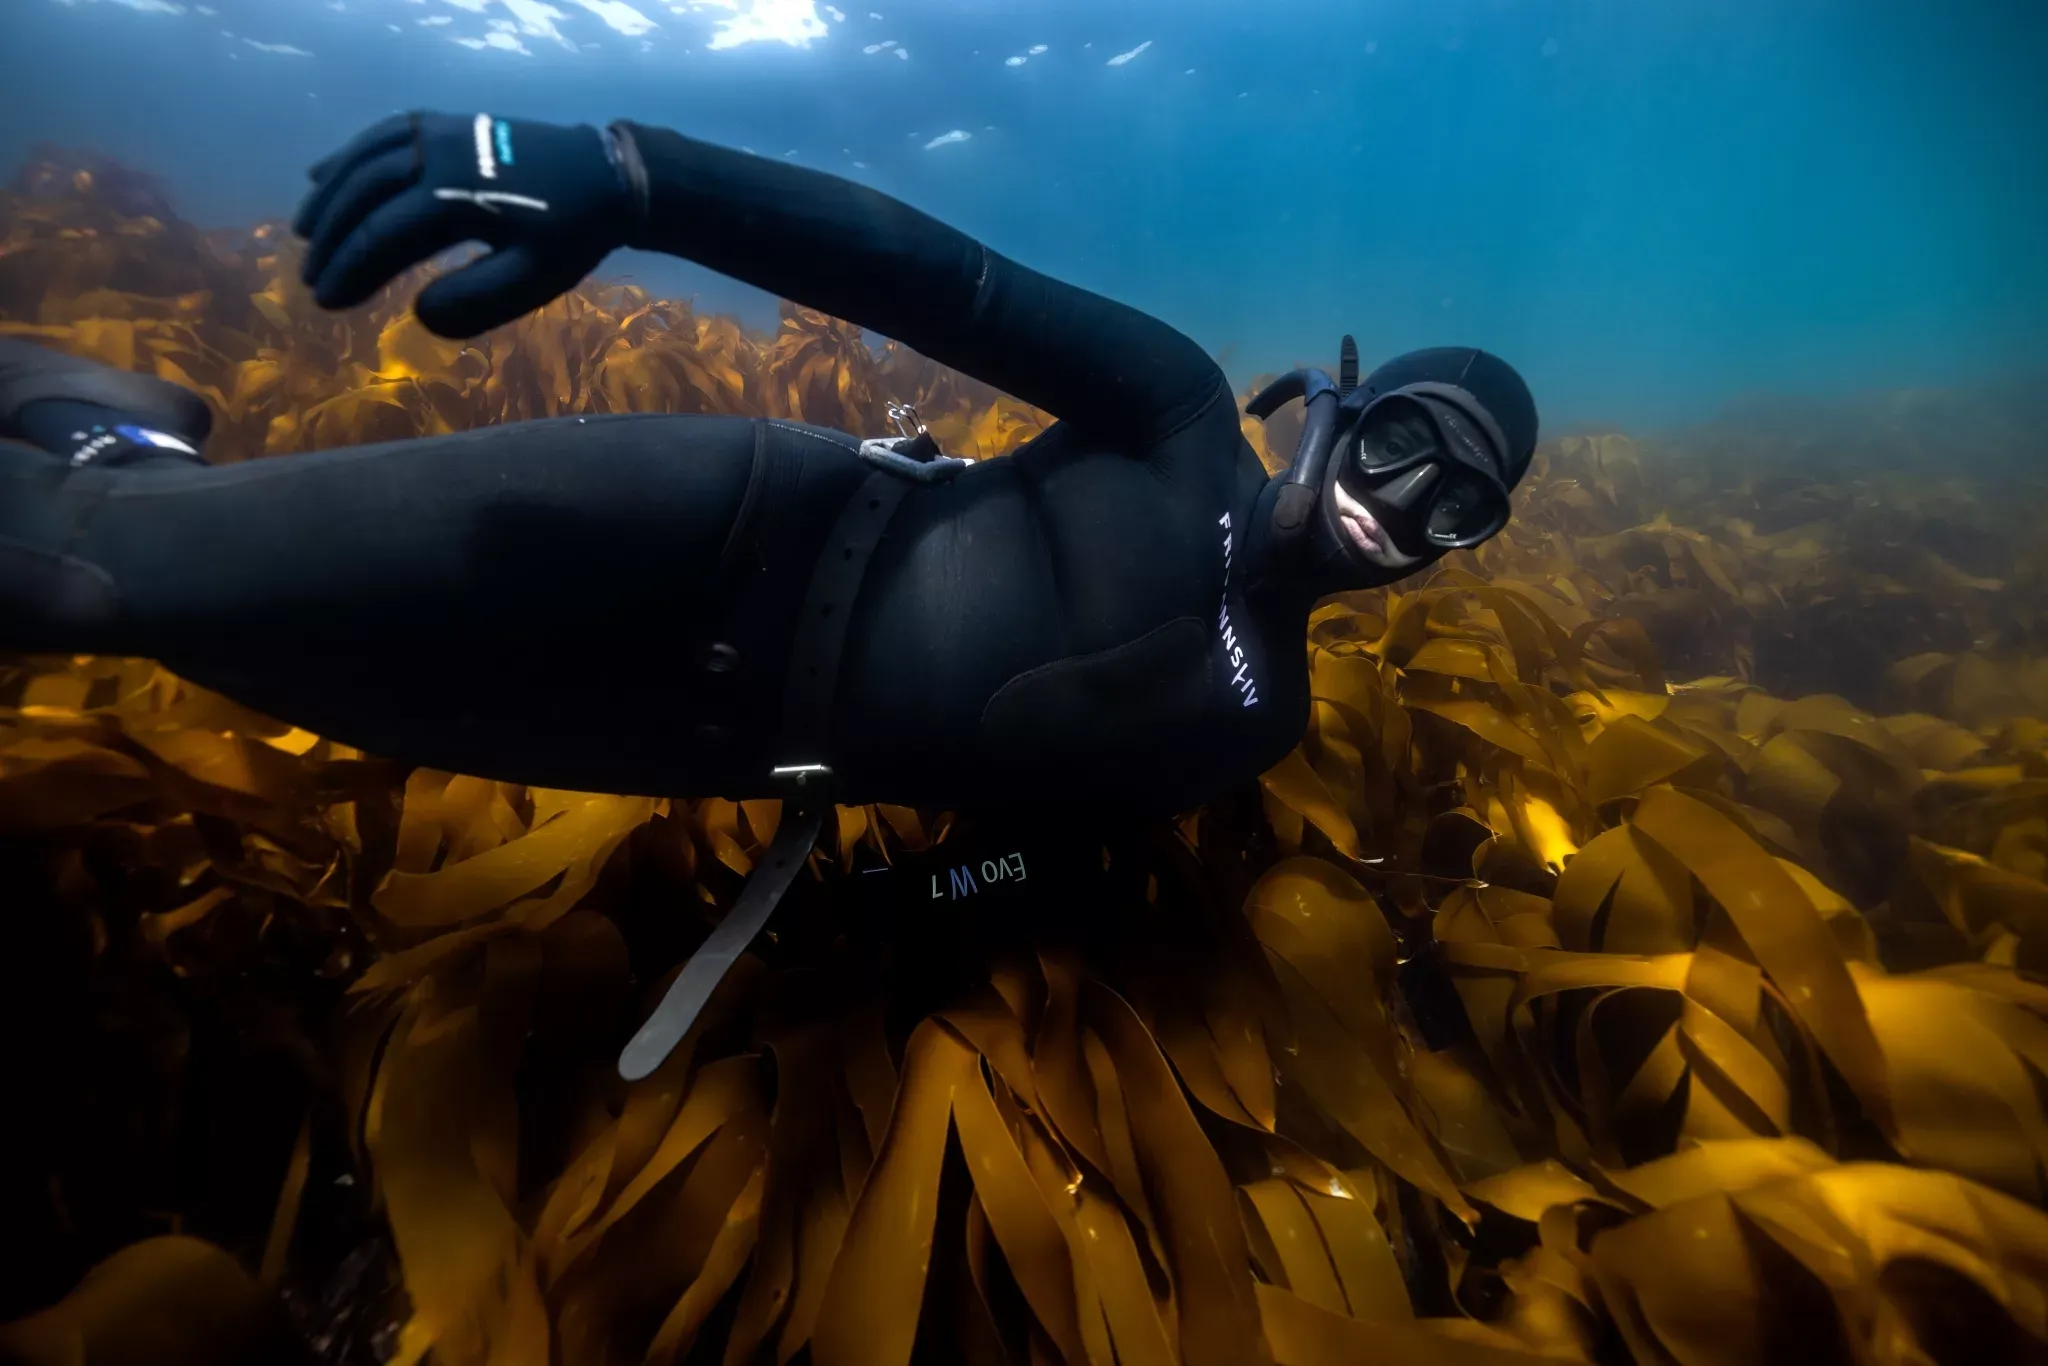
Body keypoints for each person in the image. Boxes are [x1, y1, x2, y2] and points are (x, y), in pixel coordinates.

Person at [0, 109, 1536, 1069]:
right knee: (83, 580)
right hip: (718, 520)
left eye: (1456, 503)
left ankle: (111, 423)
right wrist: (633, 176)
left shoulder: (1259, 714)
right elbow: (941, 280)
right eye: (1405, 444)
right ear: (1341, 403)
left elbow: (1055, 856)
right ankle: (96, 469)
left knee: (210, 628)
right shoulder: (1182, 415)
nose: (1402, 505)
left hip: (699, 733)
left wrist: (896, 910)